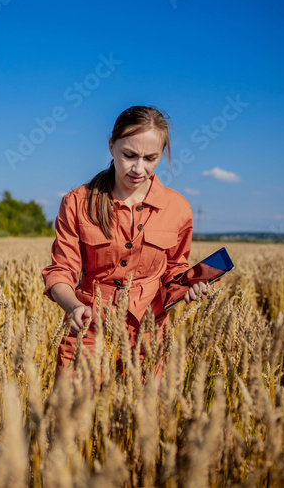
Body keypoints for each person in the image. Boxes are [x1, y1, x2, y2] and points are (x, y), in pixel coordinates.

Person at [42, 105, 206, 379]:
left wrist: (188, 285)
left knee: (140, 420)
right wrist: (73, 307)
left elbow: (175, 268)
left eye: (150, 158)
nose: (138, 168)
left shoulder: (178, 208)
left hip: (148, 334)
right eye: (129, 155)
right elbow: (61, 270)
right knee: (72, 419)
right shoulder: (77, 202)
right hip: (88, 329)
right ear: (111, 147)